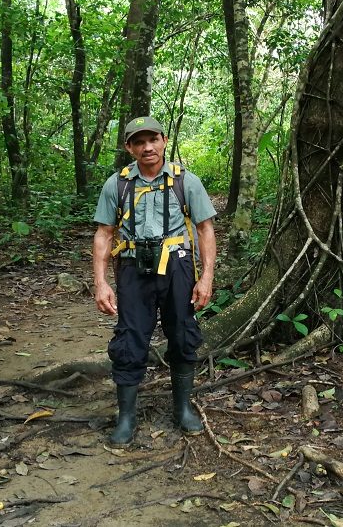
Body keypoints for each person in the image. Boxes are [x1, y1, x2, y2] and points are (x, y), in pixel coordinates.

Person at [92, 116, 217, 446]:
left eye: (153, 139)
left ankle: (182, 409)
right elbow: (104, 233)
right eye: (139, 142)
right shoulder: (117, 185)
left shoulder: (185, 181)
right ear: (129, 147)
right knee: (130, 337)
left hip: (177, 266)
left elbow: (205, 229)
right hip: (133, 267)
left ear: (164, 141)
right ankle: (126, 417)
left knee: (182, 332)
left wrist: (206, 277)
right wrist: (101, 283)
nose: (147, 147)